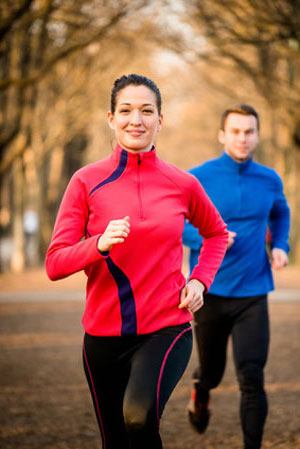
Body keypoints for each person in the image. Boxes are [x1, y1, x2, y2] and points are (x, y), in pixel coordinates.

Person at [45, 74, 228, 449]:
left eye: (147, 111)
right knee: (116, 439)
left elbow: (216, 234)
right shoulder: (85, 181)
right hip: (102, 336)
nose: (136, 120)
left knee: (138, 417)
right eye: (126, 110)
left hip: (166, 326)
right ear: (110, 119)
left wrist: (199, 281)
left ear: (160, 120)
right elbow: (55, 263)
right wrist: (98, 244)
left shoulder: (183, 183)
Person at [183, 104, 290, 449]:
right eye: (235, 131)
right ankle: (201, 391)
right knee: (212, 373)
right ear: (222, 135)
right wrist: (207, 237)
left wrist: (281, 245)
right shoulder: (198, 177)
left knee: (251, 376)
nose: (242, 139)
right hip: (209, 290)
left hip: (253, 291)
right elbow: (176, 224)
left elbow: (281, 213)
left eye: (249, 132)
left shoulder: (270, 178)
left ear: (258, 135)